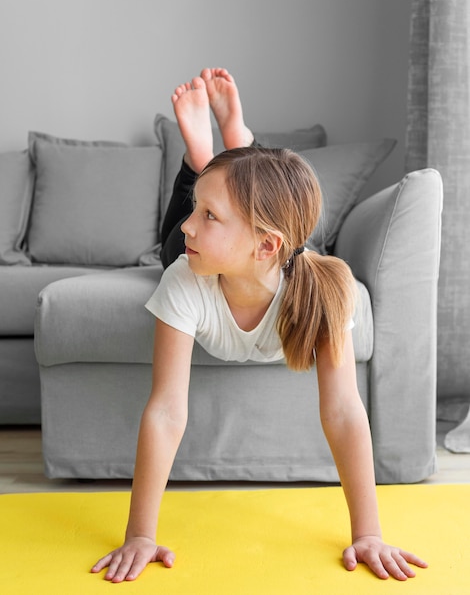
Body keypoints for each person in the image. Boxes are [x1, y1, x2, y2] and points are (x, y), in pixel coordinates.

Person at [91, 68, 428, 583]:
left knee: (279, 234)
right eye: (197, 209)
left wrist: (368, 532)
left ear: (266, 244)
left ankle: (220, 160)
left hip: (279, 254)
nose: (190, 223)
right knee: (172, 249)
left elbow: (341, 410)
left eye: (208, 215)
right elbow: (165, 409)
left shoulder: (324, 291)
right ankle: (210, 158)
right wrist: (140, 532)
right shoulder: (188, 275)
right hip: (241, 255)